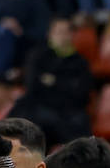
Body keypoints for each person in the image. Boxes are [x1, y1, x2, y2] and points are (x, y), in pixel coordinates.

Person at [8, 17, 94, 148]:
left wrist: (54, 82)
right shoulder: (37, 56)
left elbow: (81, 94)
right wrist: (63, 85)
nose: (62, 36)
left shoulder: (80, 63)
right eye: (58, 32)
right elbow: (32, 87)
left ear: (72, 35)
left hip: (68, 115)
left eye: (66, 32)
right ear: (49, 34)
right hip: (39, 111)